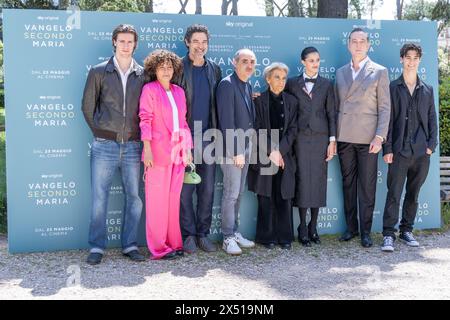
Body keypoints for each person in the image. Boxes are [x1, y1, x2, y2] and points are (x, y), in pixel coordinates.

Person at [82, 24, 145, 265]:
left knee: (134, 197)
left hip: (133, 146)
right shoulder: (98, 71)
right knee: (99, 198)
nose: (126, 45)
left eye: (130, 42)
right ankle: (97, 247)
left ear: (135, 44)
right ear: (114, 43)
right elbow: (87, 106)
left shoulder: (143, 74)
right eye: (122, 41)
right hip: (104, 146)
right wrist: (100, 133)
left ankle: (129, 245)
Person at [335, 28, 390, 248]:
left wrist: (380, 136)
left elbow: (385, 108)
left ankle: (366, 231)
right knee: (348, 184)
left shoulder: (379, 71)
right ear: (348, 45)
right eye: (354, 41)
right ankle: (351, 228)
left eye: (362, 41)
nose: (358, 45)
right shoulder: (340, 73)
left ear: (368, 45)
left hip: (369, 139)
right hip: (345, 136)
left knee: (367, 186)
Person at [381, 43, 437, 252]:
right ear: (401, 59)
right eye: (408, 57)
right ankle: (388, 234)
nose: (411, 61)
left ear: (419, 61)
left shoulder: (427, 90)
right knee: (394, 193)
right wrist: (387, 148)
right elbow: (386, 120)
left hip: (421, 153)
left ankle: (406, 230)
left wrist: (431, 146)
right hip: (398, 151)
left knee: (413, 193)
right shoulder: (392, 88)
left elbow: (432, 119)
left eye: (415, 58)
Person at [139, 50, 193, 260]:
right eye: (161, 67)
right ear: (154, 69)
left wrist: (187, 149)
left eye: (169, 67)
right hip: (157, 154)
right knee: (157, 203)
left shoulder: (179, 91)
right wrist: (148, 149)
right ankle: (159, 248)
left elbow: (184, 122)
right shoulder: (149, 90)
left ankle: (174, 243)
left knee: (172, 200)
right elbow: (145, 119)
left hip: (178, 154)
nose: (166, 70)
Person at [176, 24, 222, 254]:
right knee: (185, 191)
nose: (200, 46)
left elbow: (222, 100)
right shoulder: (178, 69)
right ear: (187, 42)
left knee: (207, 190)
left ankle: (203, 234)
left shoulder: (215, 69)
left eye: (204, 42)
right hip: (184, 138)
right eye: (195, 41)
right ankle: (188, 236)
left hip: (210, 137)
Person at [285, 47, 337, 247]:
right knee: (303, 181)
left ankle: (314, 226)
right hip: (299, 138)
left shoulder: (326, 84)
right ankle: (303, 227)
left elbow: (331, 113)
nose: (315, 63)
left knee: (318, 180)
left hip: (321, 139)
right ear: (303, 62)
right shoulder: (291, 84)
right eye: (311, 60)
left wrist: (332, 140)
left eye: (317, 60)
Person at [248, 62, 298, 250]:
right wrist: (272, 151)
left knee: (284, 196)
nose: (281, 81)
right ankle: (266, 237)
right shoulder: (258, 101)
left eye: (284, 78)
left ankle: (285, 237)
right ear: (268, 79)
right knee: (266, 196)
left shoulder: (292, 102)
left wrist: (281, 151)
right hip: (264, 155)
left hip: (285, 156)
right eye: (277, 77)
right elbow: (257, 128)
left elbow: (293, 129)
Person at [216, 48, 257, 255]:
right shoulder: (226, 85)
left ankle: (235, 231)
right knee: (231, 194)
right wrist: (236, 151)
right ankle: (227, 237)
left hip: (246, 146)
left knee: (239, 193)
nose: (249, 65)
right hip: (231, 149)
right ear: (234, 62)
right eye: (244, 61)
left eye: (252, 62)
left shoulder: (247, 85)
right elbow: (226, 121)